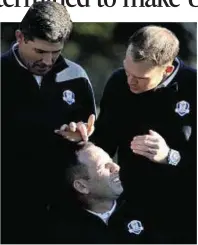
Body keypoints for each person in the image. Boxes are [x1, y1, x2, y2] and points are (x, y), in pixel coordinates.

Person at [56, 25, 197, 243]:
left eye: (141, 78)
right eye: (127, 70)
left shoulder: (193, 88)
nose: (130, 81)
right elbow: (105, 146)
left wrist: (170, 156)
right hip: (130, 210)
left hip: (182, 214)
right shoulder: (119, 83)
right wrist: (83, 139)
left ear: (166, 70)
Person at [1, 2, 96, 243]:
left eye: (56, 52)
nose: (48, 60)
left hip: (64, 206)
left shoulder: (76, 77)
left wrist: (81, 137)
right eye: (40, 51)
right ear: (20, 37)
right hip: (9, 205)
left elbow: (91, 137)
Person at [48, 142, 165, 244]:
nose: (116, 167)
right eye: (102, 167)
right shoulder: (63, 231)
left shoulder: (143, 205)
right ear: (82, 186)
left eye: (110, 160)